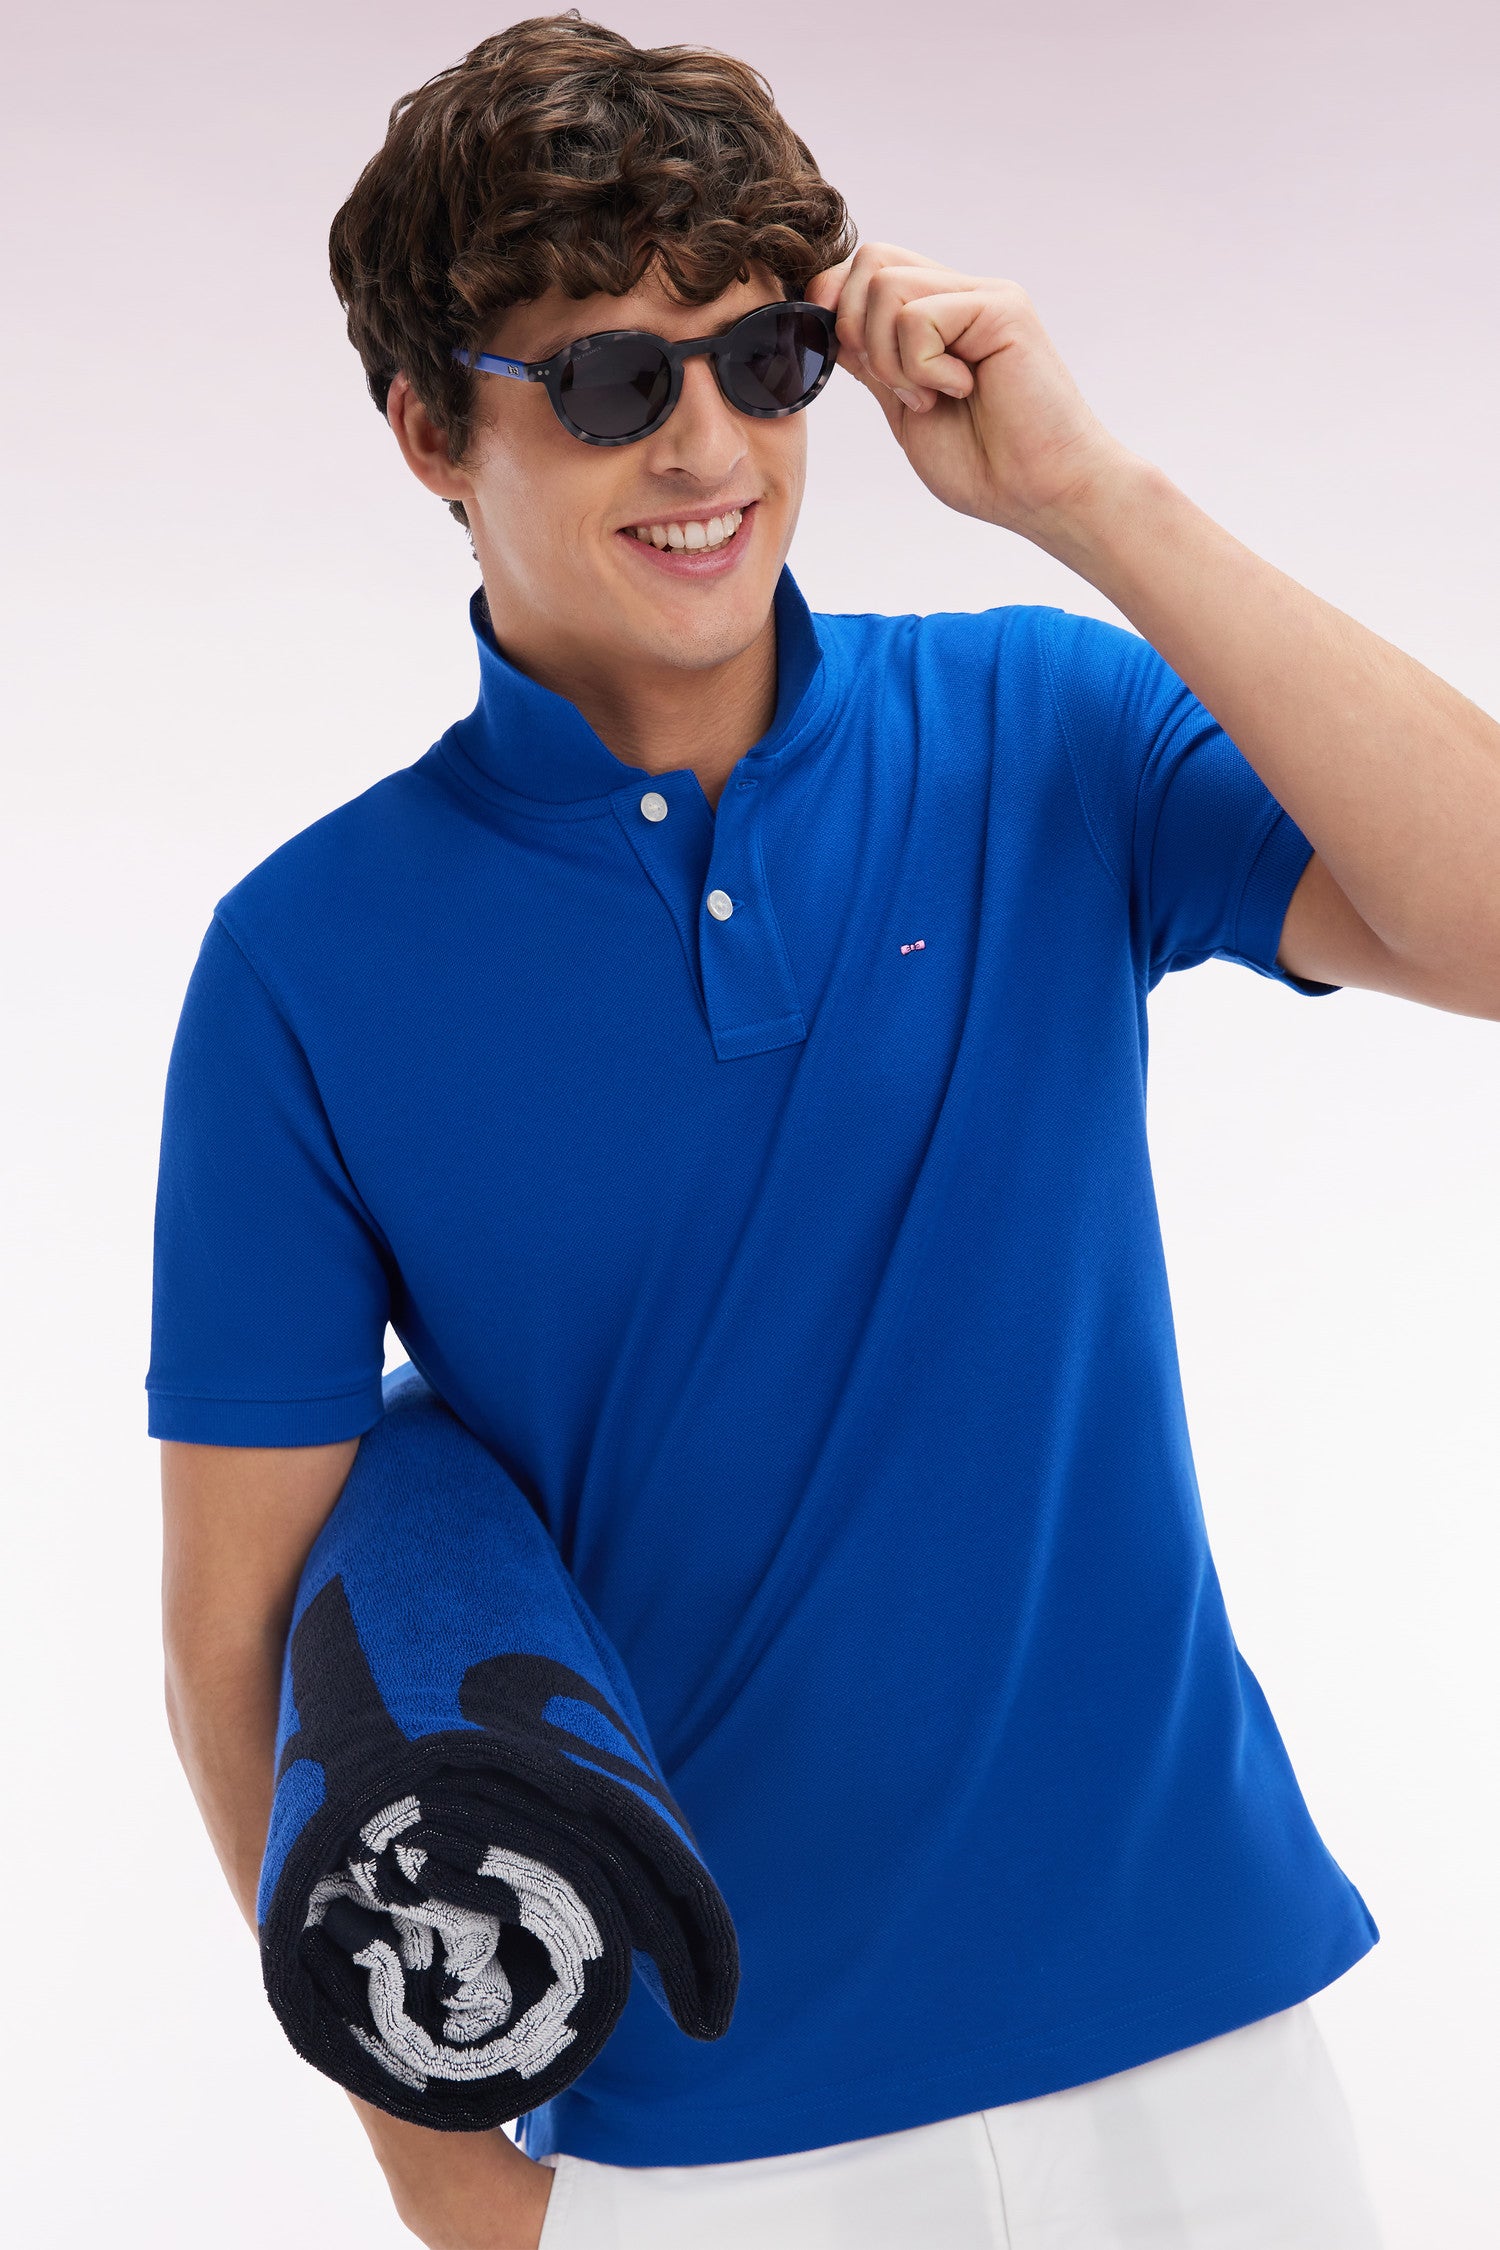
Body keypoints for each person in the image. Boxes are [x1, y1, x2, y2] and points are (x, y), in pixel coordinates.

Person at [150, 15, 1498, 2249]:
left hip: (1205, 2058)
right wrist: (464, 2195)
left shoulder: (1038, 731)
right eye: (611, 381)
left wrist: (1092, 499)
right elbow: (237, 1631)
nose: (709, 448)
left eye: (765, 361)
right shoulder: (303, 965)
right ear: (428, 426)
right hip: (707, 2131)